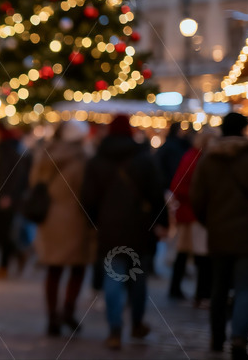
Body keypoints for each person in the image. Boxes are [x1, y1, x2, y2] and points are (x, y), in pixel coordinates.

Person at [81, 115, 167, 350]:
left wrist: (93, 222)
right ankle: (137, 323)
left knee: (112, 277)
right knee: (137, 278)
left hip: (108, 227)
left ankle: (115, 329)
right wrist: (163, 221)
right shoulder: (143, 159)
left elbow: (87, 198)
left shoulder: (98, 159)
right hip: (139, 226)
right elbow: (156, 194)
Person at [191, 113, 248, 360]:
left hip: (218, 234)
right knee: (244, 288)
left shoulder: (209, 161)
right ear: (243, 131)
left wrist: (209, 221)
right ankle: (239, 340)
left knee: (218, 287)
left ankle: (217, 337)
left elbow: (197, 199)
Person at [31, 121, 95, 336]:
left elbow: (34, 183)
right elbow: (87, 191)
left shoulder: (44, 154)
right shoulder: (83, 158)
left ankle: (52, 317)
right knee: (78, 267)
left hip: (50, 218)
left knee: (53, 269)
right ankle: (68, 310)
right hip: (76, 219)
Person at [168, 128, 217, 304]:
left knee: (186, 252)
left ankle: (179, 289)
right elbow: (178, 186)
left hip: (191, 213)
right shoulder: (196, 159)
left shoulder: (195, 157)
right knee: (199, 254)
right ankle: (201, 293)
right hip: (194, 214)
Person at [0, 124, 31, 279]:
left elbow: (13, 175)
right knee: (0, 232)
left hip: (5, 198)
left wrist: (7, 195)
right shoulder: (2, 149)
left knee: (5, 233)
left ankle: (5, 265)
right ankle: (16, 255)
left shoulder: (8, 151)